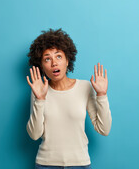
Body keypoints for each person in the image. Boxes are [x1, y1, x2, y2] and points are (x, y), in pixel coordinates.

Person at [26, 28, 112, 169]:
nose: (54, 63)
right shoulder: (38, 90)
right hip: (46, 164)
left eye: (58, 56)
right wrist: (40, 99)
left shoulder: (85, 87)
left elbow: (104, 129)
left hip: (80, 164)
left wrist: (101, 95)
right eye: (47, 59)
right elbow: (35, 134)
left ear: (67, 60)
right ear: (41, 66)